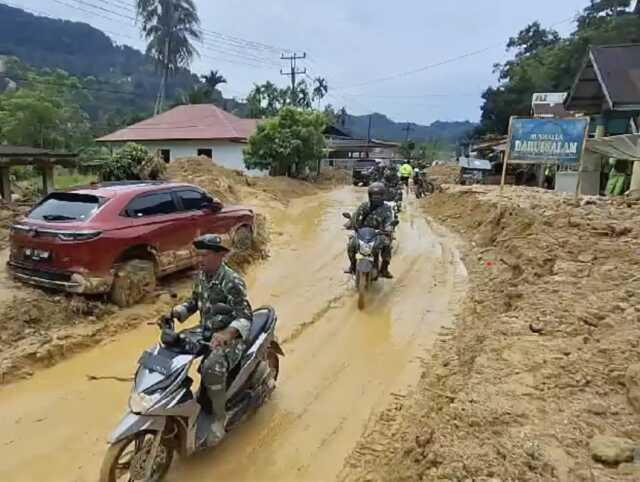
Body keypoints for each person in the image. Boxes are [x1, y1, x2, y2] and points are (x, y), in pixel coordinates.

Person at [169, 234, 252, 445]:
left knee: (211, 367)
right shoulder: (202, 277)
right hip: (206, 332)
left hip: (230, 338)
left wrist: (227, 334)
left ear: (219, 255)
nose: (200, 259)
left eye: (205, 255)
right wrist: (176, 312)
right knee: (172, 349)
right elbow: (194, 302)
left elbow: (245, 316)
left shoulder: (231, 281)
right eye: (199, 255)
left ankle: (219, 417)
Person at [345, 182, 395, 278]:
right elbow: (356, 216)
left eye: (378, 195)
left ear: (382, 196)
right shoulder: (364, 206)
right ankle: (352, 265)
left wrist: (389, 227)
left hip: (378, 233)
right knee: (351, 244)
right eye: (374, 195)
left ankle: (384, 269)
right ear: (370, 195)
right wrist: (350, 223)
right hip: (362, 233)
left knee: (387, 245)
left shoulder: (386, 208)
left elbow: (389, 220)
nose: (376, 198)